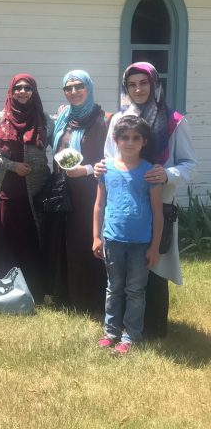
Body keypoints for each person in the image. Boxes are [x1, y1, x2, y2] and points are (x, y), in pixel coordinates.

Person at [98, 62, 197, 338]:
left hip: (158, 206)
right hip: (125, 208)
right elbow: (109, 158)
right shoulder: (119, 121)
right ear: (126, 88)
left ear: (154, 85)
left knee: (155, 265)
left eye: (144, 83)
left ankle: (152, 327)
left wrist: (166, 174)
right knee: (124, 276)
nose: (138, 89)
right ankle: (119, 327)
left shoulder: (174, 121)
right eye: (132, 84)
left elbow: (191, 164)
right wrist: (99, 168)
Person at [93, 115, 163, 356]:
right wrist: (96, 236)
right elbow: (99, 205)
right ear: (116, 140)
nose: (130, 142)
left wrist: (154, 246)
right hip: (112, 240)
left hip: (140, 244)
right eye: (125, 138)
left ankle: (131, 334)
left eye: (136, 138)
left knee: (135, 290)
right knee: (114, 288)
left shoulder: (150, 173)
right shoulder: (106, 169)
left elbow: (157, 212)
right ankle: (110, 331)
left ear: (144, 141)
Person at [43, 70, 110, 313]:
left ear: (89, 88)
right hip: (62, 187)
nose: (73, 91)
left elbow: (110, 160)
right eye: (68, 88)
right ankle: (63, 295)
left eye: (78, 86)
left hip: (88, 191)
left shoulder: (103, 120)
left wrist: (86, 170)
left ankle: (88, 299)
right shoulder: (63, 117)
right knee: (61, 240)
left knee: (84, 241)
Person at [0, 74, 50, 300]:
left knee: (32, 241)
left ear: (34, 91)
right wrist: (12, 166)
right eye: (18, 88)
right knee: (5, 239)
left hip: (35, 192)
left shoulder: (44, 120)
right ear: (11, 91)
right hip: (7, 189)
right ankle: (1, 290)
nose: (22, 92)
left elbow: (61, 144)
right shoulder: (0, 118)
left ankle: (34, 290)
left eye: (28, 88)